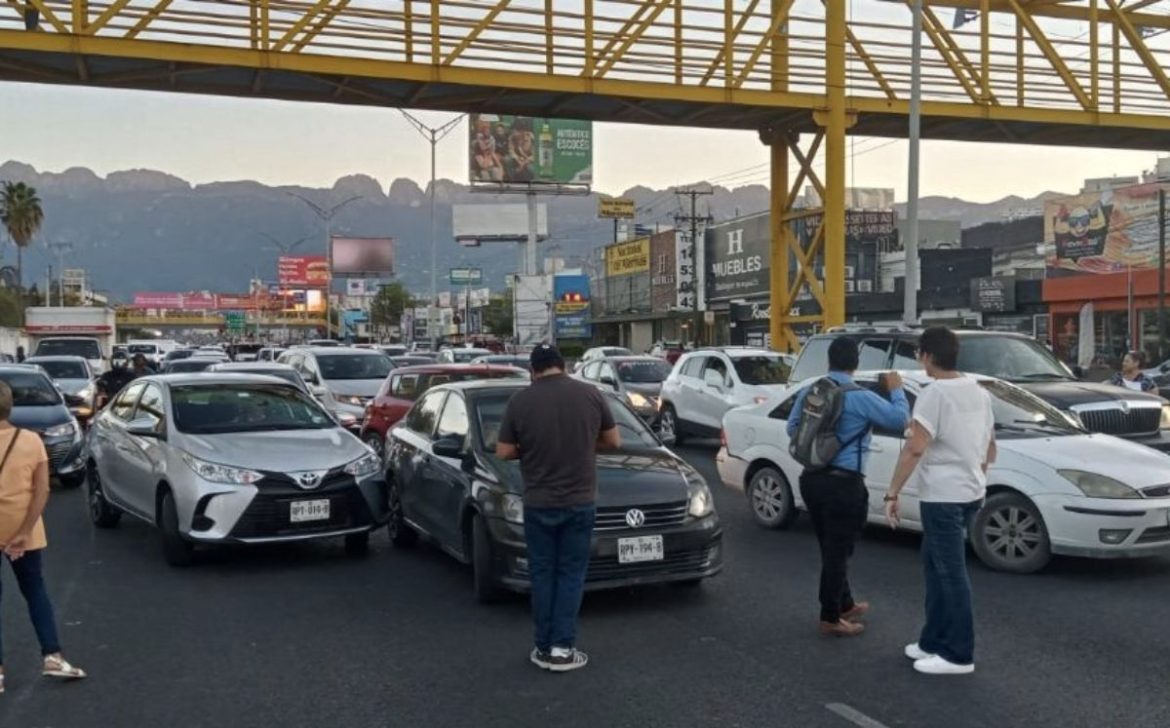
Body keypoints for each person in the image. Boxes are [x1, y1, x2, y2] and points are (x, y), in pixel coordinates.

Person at [496, 344, 620, 672]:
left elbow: (505, 451)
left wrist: (534, 449)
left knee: (542, 573)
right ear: (562, 365)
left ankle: (542, 646)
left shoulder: (519, 401)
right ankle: (563, 648)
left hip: (539, 502)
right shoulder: (591, 394)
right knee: (570, 574)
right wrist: (581, 445)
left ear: (533, 370)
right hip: (580, 501)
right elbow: (614, 442)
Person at [884, 327, 995, 676]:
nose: (919, 359)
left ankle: (959, 654)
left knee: (949, 572)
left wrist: (892, 492)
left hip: (943, 496)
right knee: (935, 564)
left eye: (919, 353)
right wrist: (974, 474)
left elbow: (915, 446)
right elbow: (990, 446)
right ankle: (932, 640)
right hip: (970, 491)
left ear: (928, 356)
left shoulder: (935, 394)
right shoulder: (979, 392)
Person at [786, 338, 910, 637]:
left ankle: (845, 603)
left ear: (828, 361)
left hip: (812, 478)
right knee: (838, 551)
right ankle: (830, 617)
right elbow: (899, 418)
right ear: (856, 364)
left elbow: (792, 428)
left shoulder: (812, 390)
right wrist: (896, 389)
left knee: (830, 546)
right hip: (843, 483)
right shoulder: (859, 396)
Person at [0, 381, 87, 695]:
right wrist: (23, 532)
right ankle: (52, 657)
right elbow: (43, 489)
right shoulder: (30, 441)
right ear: (11, 407)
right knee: (35, 592)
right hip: (24, 528)